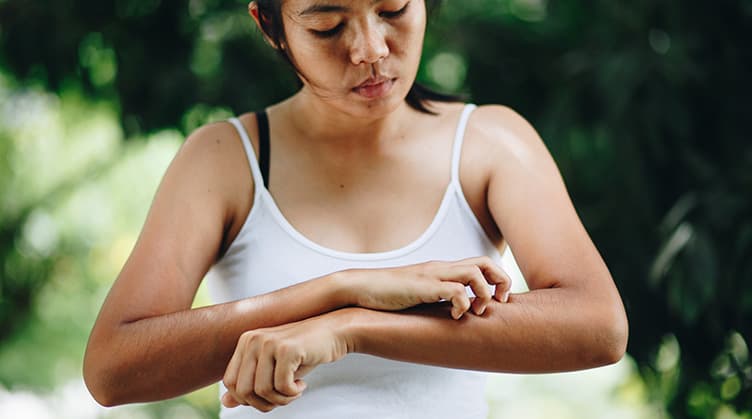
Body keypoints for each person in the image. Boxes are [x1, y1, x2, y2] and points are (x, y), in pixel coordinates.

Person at [83, 0, 629, 418]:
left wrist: (353, 327)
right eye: (327, 25)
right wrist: (338, 290)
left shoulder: (490, 143)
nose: (369, 48)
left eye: (392, 9)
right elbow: (113, 369)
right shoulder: (225, 159)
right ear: (270, 27)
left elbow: (597, 327)